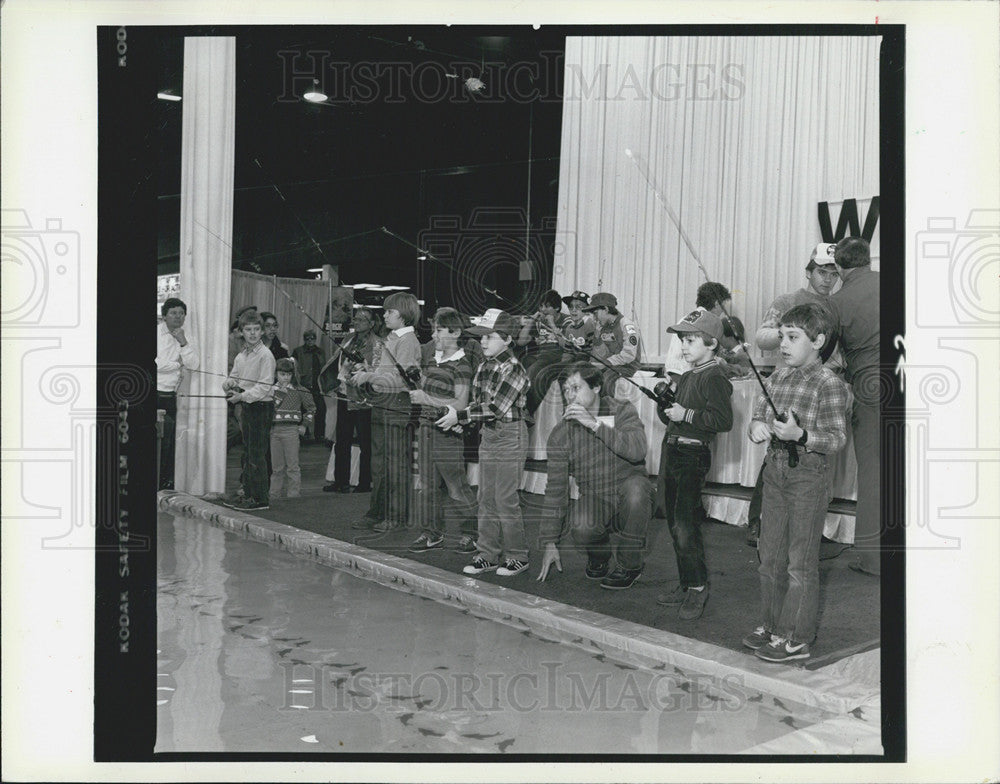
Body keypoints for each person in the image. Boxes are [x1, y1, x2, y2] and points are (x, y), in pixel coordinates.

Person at [744, 303, 850, 662]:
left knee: (799, 563)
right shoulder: (776, 377)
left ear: (818, 340)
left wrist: (800, 434)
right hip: (773, 473)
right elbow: (757, 416)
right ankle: (772, 625)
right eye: (781, 337)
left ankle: (797, 637)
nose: (783, 344)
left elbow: (836, 440)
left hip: (807, 477)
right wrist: (756, 427)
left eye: (793, 337)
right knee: (768, 557)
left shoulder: (830, 384)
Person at [745, 243, 845, 547]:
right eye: (821, 272)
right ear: (808, 271)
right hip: (788, 387)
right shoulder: (788, 300)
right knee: (777, 453)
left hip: (825, 386)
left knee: (817, 459)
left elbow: (841, 350)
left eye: (833, 273)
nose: (827, 279)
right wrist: (791, 333)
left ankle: (809, 526)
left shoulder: (837, 307)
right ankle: (757, 523)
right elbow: (762, 337)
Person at [535, 362, 654, 589]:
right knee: (582, 526)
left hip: (629, 489)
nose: (570, 395)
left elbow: (637, 449)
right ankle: (599, 556)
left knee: (637, 491)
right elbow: (556, 490)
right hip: (596, 495)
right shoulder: (561, 433)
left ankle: (630, 565)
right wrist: (550, 541)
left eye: (576, 388)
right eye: (566, 390)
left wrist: (594, 424)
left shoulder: (622, 409)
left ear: (597, 387)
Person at [436, 309, 531, 578]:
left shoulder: (514, 369)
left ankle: (517, 555)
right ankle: (488, 554)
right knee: (485, 497)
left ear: (508, 339)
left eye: (490, 337)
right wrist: (461, 421)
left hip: (511, 436)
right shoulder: (484, 366)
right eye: (482, 337)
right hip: (489, 435)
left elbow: (496, 408)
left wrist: (461, 415)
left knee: (505, 499)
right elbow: (479, 405)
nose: (484, 342)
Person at [654, 309, 734, 620]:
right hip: (673, 451)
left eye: (690, 340)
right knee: (675, 524)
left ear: (712, 343)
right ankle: (687, 582)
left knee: (685, 524)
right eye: (682, 341)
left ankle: (698, 587)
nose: (684, 347)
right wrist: (666, 405)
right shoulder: (687, 376)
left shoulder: (714, 377)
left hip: (692, 457)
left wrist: (684, 414)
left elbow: (722, 420)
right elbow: (670, 417)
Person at [828, 236, 881, 577]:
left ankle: (873, 559)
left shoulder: (837, 301)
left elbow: (823, 349)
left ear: (839, 267)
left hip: (870, 387)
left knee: (874, 471)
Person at [407, 308, 479, 555]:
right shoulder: (433, 360)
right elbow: (434, 393)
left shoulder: (462, 365)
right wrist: (419, 381)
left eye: (439, 330)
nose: (434, 335)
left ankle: (472, 534)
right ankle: (431, 533)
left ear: (455, 332)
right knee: (427, 486)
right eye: (434, 330)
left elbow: (459, 404)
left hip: (447, 433)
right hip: (426, 428)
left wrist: (424, 396)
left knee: (456, 487)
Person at [349, 292, 422, 532]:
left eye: (389, 311)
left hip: (397, 406)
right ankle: (377, 511)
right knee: (378, 464)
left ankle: (396, 516)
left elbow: (402, 381)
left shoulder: (408, 341)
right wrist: (366, 370)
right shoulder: (391, 338)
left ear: (403, 315)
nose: (384, 315)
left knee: (395, 464)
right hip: (381, 404)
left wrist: (368, 376)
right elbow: (386, 372)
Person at [323, 308, 382, 494]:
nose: (357, 322)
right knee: (342, 440)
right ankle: (341, 481)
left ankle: (365, 482)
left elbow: (378, 370)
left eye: (362, 319)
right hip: (344, 394)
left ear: (372, 324)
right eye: (355, 319)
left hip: (364, 398)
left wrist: (363, 366)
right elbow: (336, 360)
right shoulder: (348, 339)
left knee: (366, 442)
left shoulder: (377, 344)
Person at [221, 310, 276, 511]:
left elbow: (264, 386)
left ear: (261, 332)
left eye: (256, 329)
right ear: (241, 332)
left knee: (257, 454)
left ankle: (260, 499)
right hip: (248, 407)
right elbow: (235, 376)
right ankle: (250, 494)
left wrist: (241, 396)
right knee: (249, 453)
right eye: (248, 330)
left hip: (261, 407)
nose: (252, 333)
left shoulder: (265, 355)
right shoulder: (241, 355)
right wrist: (228, 383)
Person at [156, 297, 200, 490]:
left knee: (169, 443)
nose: (178, 317)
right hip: (154, 393)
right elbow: (157, 364)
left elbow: (194, 364)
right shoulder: (156, 333)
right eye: (173, 313)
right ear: (164, 315)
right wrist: (177, 365)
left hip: (171, 396)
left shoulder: (186, 335)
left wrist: (183, 342)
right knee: (157, 442)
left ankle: (165, 482)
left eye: (181, 313)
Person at [269, 357, 316, 499]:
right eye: (282, 374)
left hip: (291, 430)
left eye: (289, 374)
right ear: (276, 374)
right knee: (276, 467)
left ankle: (294, 495)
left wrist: (304, 425)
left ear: (293, 374)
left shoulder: (300, 390)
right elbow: (268, 411)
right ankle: (274, 494)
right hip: (274, 430)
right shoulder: (270, 390)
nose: (286, 378)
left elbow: (312, 408)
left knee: (292, 466)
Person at [516, 289, 568, 415]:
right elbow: (521, 342)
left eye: (547, 306)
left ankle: (526, 409)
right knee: (524, 361)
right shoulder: (540, 322)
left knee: (534, 369)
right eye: (541, 306)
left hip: (557, 355)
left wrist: (552, 325)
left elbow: (566, 345)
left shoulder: (567, 321)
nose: (543, 310)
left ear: (556, 308)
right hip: (541, 355)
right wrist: (531, 321)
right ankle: (519, 401)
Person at [582, 292, 643, 396]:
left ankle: (607, 410)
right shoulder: (603, 326)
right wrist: (597, 338)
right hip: (610, 364)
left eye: (595, 313)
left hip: (627, 366)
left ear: (605, 309)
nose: (594, 318)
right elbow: (601, 355)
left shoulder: (627, 325)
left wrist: (606, 363)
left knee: (605, 380)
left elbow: (629, 355)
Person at [292, 329, 327, 442]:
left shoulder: (320, 352)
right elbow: (292, 368)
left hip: (317, 386)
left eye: (312, 338)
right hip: (304, 384)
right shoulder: (298, 351)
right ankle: (303, 434)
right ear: (304, 339)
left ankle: (320, 435)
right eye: (308, 339)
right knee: (302, 411)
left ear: (315, 339)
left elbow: (325, 368)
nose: (310, 341)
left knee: (321, 410)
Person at [560, 290, 597, 359]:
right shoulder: (569, 328)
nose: (573, 310)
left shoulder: (589, 324)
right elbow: (568, 352)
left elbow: (594, 351)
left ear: (587, 310)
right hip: (575, 361)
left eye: (578, 307)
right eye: (571, 306)